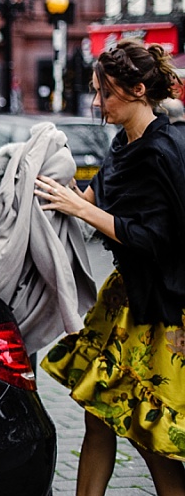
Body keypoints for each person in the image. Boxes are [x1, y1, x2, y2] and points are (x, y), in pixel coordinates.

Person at [35, 38, 185, 495]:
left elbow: (157, 239)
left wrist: (81, 211)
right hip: (124, 298)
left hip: (161, 309)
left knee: (151, 436)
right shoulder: (123, 143)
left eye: (107, 92)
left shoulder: (167, 149)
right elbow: (92, 196)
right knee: (97, 416)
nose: (98, 103)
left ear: (139, 89)